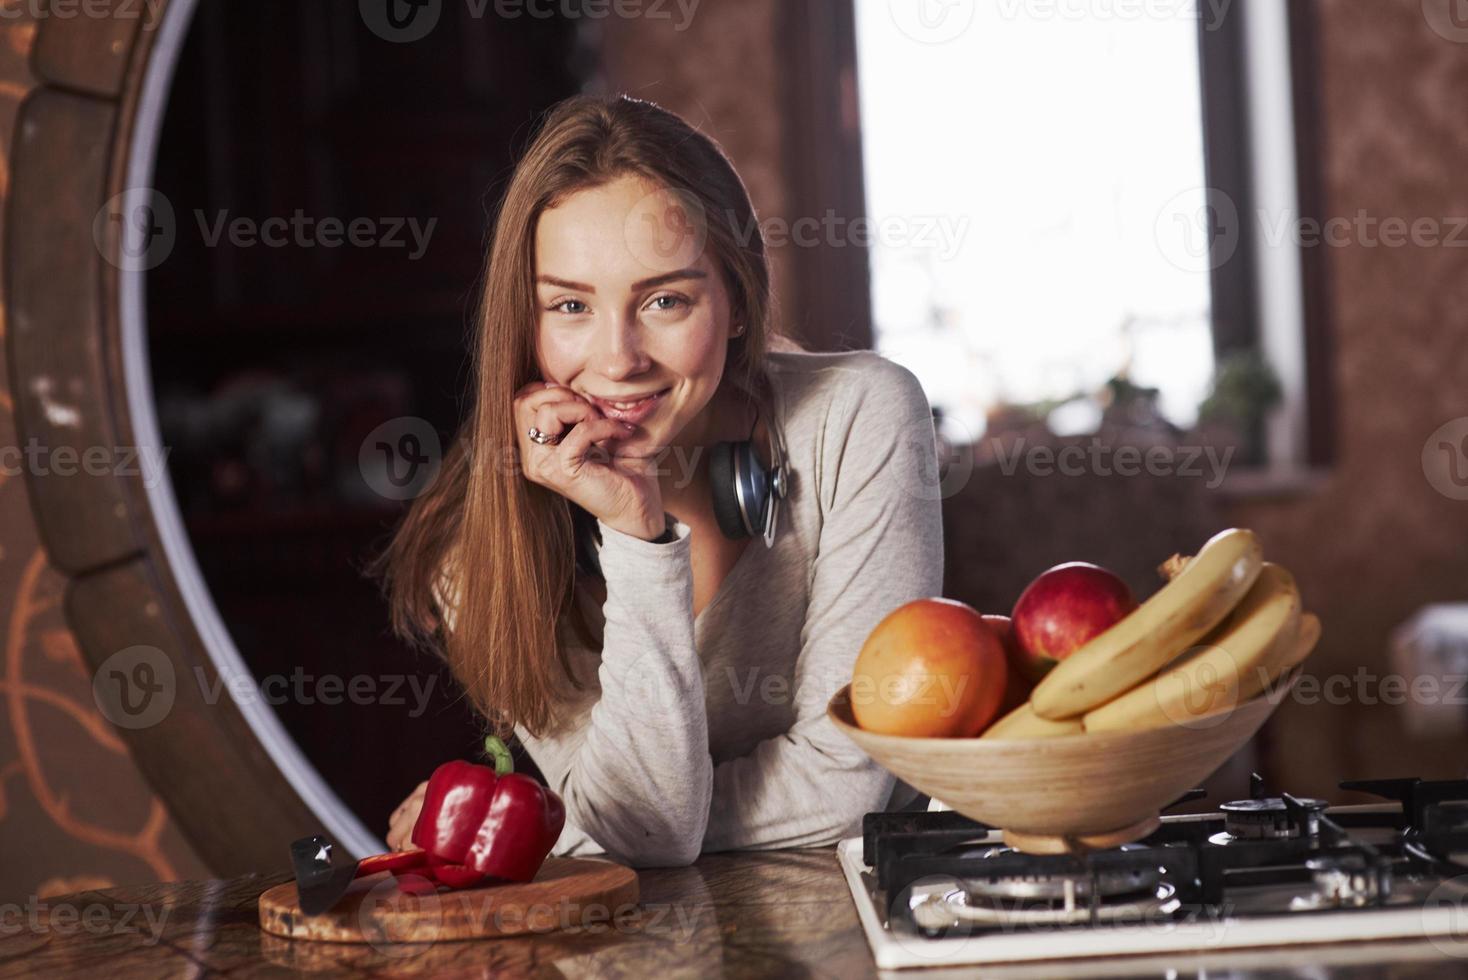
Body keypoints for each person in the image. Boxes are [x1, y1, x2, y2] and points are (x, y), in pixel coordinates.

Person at [374, 93, 943, 867]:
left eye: (665, 300)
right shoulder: (473, 553)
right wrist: (635, 532)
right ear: (526, 319)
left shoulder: (859, 416)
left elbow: (848, 785)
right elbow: (648, 831)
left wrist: (571, 829)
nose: (618, 358)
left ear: (737, 300)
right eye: (571, 304)